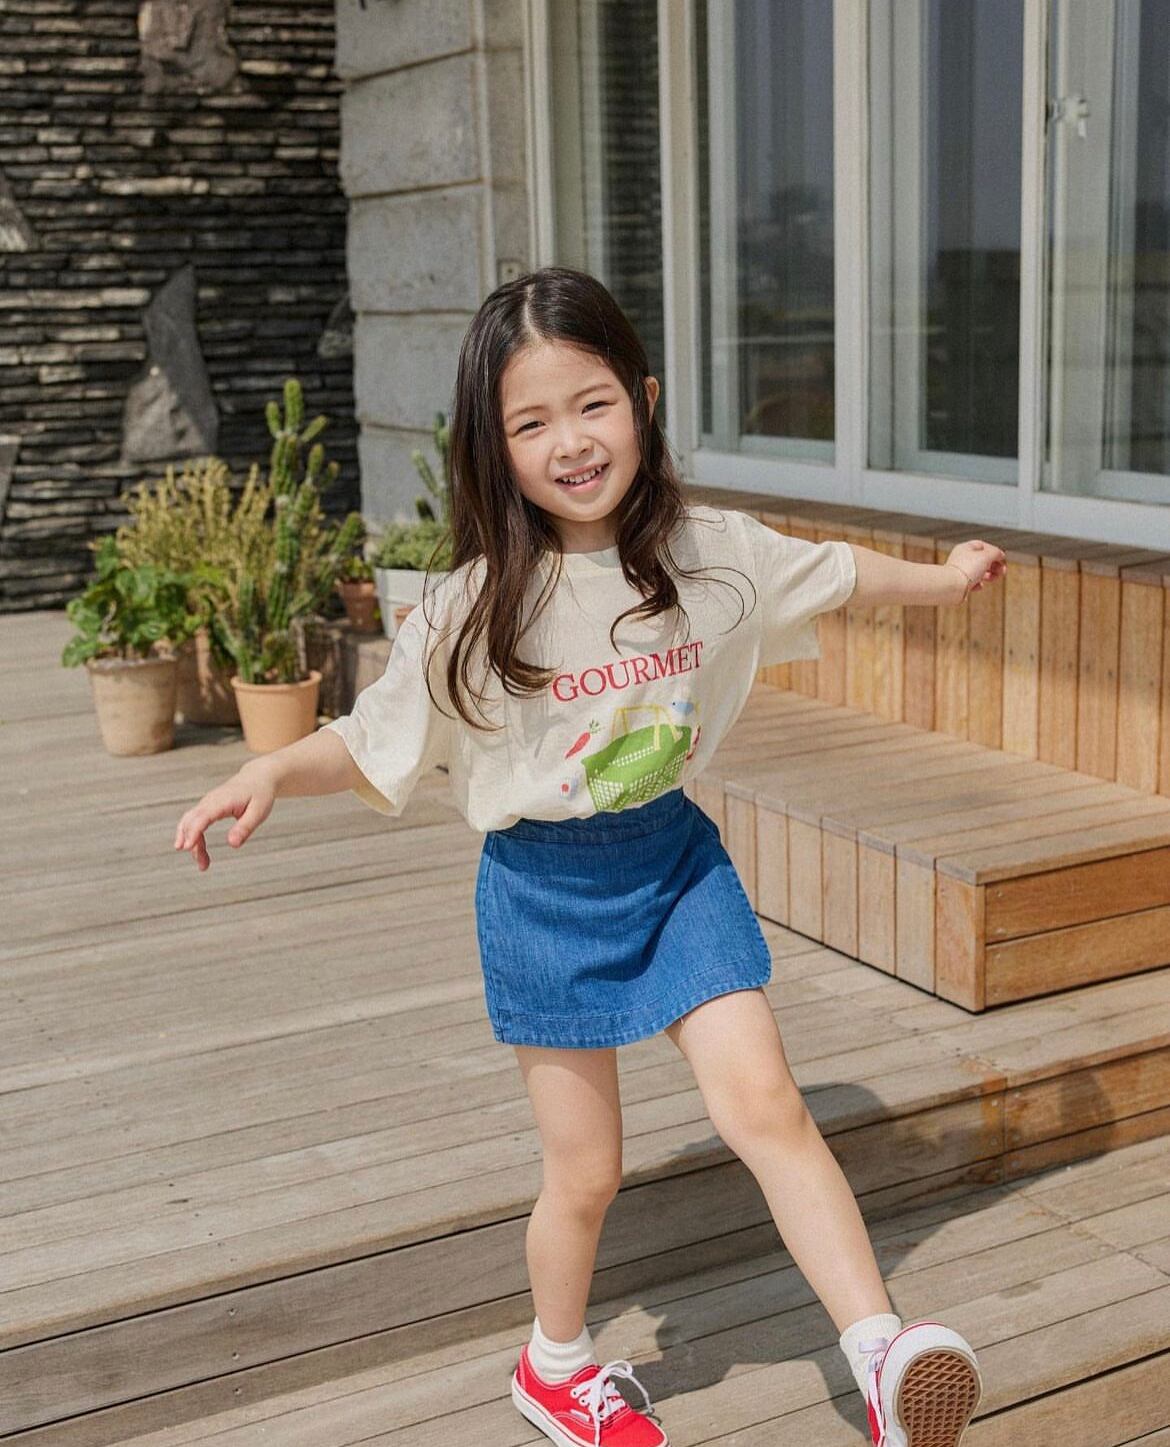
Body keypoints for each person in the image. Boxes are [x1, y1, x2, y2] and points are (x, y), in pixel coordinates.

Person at [174, 266, 1005, 1447]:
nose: (570, 441)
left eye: (593, 403)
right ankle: (555, 1364)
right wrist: (266, 770)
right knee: (588, 1169)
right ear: (493, 445)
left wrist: (948, 576)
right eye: (531, 421)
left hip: (672, 866)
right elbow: (370, 739)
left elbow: (836, 569)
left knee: (768, 1104)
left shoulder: (712, 552)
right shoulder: (472, 609)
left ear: (644, 401)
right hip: (543, 892)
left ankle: (879, 1349)